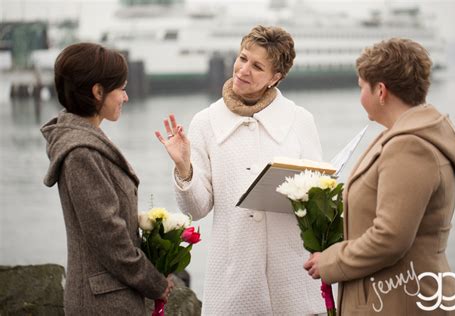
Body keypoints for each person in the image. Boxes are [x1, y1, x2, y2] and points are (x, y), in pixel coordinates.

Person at [155, 25, 326, 314]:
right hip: (233, 282)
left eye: (257, 66)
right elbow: (196, 209)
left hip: (293, 279)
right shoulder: (205, 122)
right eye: (242, 58)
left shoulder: (300, 120)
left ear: (276, 78)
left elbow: (319, 201)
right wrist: (184, 167)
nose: (243, 69)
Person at [303, 38, 455, 315]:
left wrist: (330, 263)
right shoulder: (404, 137)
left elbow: (390, 238)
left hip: (400, 302)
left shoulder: (409, 147)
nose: (360, 97)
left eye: (361, 87)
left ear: (381, 91)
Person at [41, 42, 172, 315]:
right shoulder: (81, 153)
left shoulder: (86, 142)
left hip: (109, 297)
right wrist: (154, 283)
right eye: (121, 89)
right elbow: (108, 236)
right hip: (102, 303)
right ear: (97, 91)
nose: (126, 97)